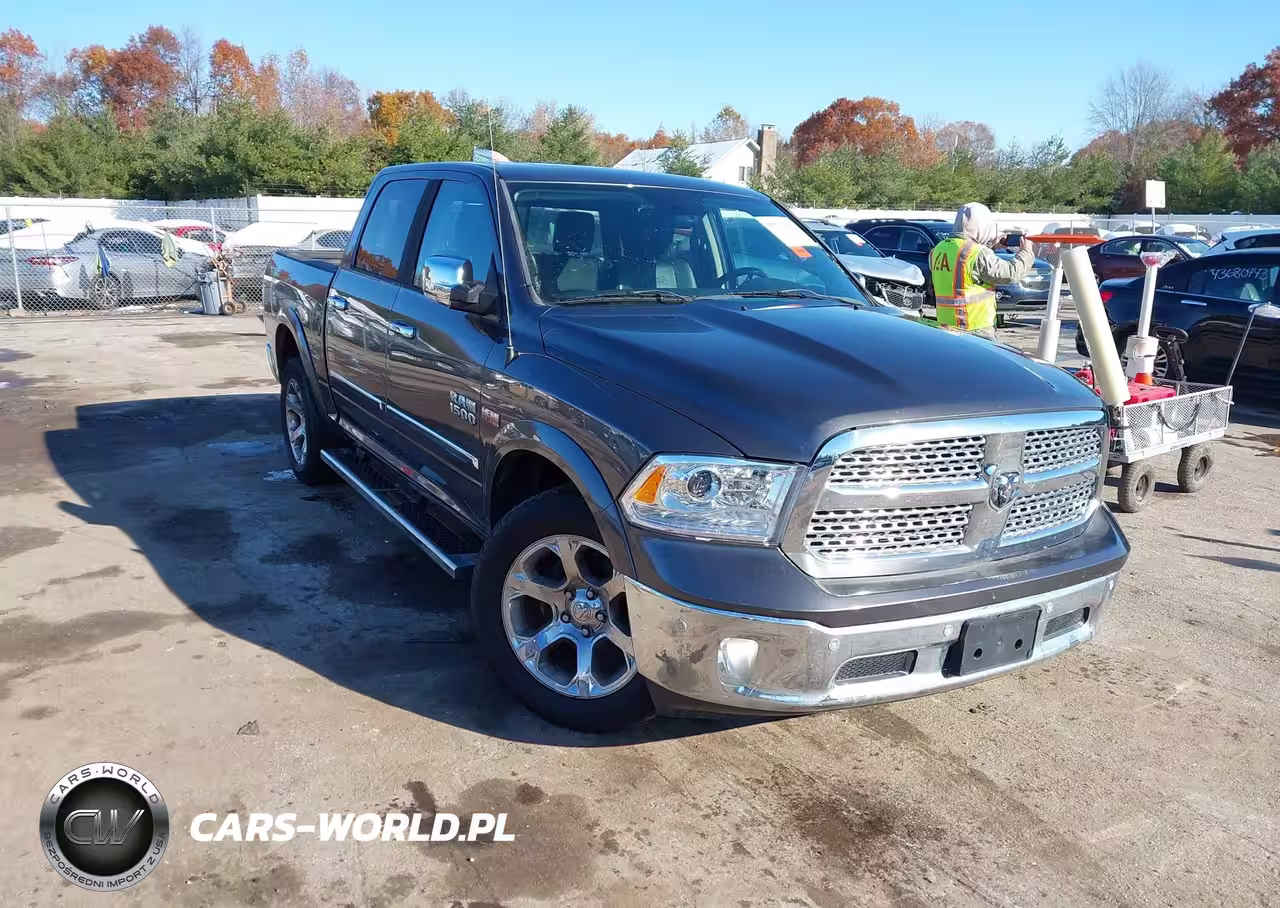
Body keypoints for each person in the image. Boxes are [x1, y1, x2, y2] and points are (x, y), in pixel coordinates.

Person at [929, 202, 1034, 340]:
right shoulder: (976, 253)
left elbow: (968, 267)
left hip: (946, 327)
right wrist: (1026, 251)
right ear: (983, 226)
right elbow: (1011, 273)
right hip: (974, 329)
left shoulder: (938, 249)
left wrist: (989, 245)